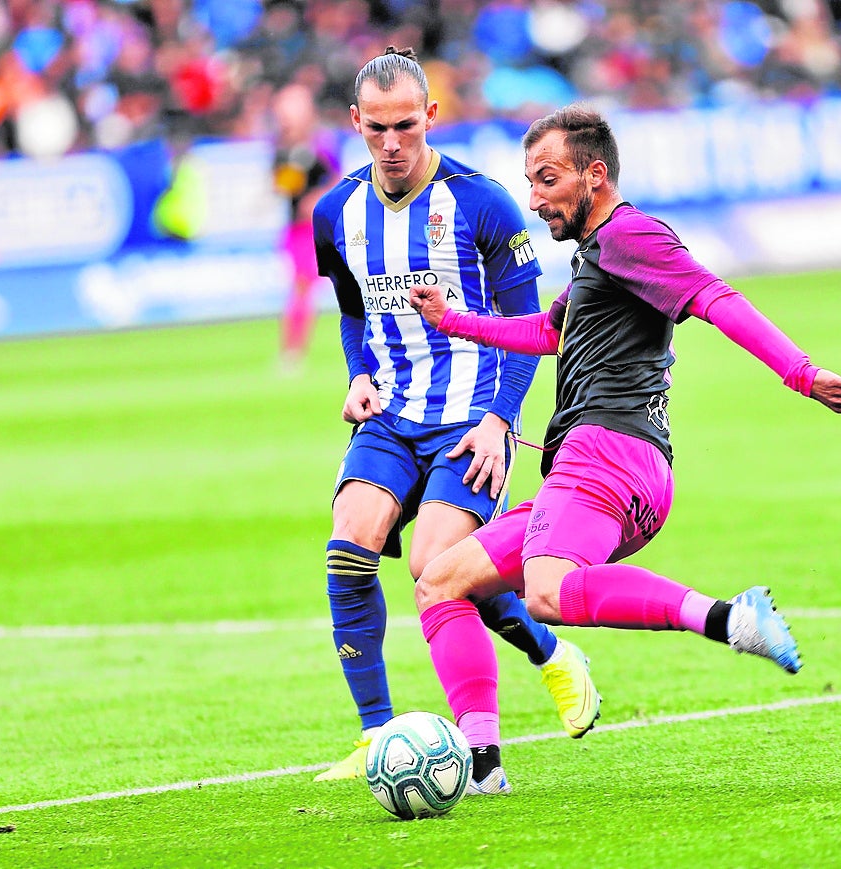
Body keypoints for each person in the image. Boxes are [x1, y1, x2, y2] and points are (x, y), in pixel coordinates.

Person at [408, 104, 841, 793]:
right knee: (441, 579)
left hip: (606, 456)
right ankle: (483, 765)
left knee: (544, 591)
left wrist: (804, 375)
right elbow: (549, 334)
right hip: (606, 467)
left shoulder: (632, 236)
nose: (534, 197)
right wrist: (449, 319)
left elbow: (715, 297)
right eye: (528, 181)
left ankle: (728, 616)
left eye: (547, 179)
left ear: (593, 176)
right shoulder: (599, 256)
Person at [310, 49, 601, 786]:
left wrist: (501, 420)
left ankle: (551, 657)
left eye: (405, 124)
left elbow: (531, 323)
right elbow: (353, 309)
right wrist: (358, 374)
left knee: (434, 569)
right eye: (376, 127)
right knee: (347, 548)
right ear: (356, 123)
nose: (391, 141)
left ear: (430, 116)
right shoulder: (334, 211)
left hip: (469, 418)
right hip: (390, 416)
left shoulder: (481, 202)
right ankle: (376, 735)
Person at [272, 82, 338, 373]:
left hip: (316, 229)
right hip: (296, 231)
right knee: (301, 288)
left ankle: (293, 352)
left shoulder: (318, 145)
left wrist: (316, 198)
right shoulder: (284, 150)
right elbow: (283, 188)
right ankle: (293, 350)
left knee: (305, 288)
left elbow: (338, 179)